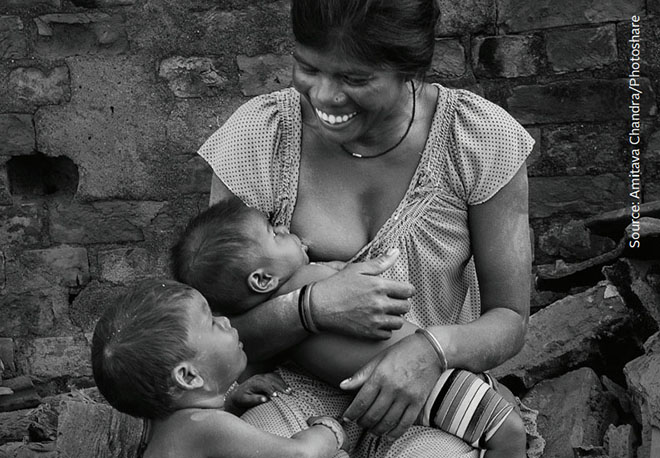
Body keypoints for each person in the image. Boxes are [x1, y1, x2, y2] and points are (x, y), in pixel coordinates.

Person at [195, 0, 534, 456]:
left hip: (429, 393)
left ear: (409, 70)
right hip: (293, 387)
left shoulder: (477, 138)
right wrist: (310, 307)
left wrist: (431, 351)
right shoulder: (260, 137)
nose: (324, 96)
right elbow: (212, 327)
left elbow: (509, 321)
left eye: (355, 79)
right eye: (307, 68)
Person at [171, 197, 525, 458]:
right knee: (503, 431)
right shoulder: (291, 295)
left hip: (428, 379)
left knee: (506, 431)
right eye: (273, 234)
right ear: (262, 279)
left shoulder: (300, 289)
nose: (283, 227)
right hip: (431, 390)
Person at [91, 279, 349, 458]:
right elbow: (301, 454)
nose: (225, 321)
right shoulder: (206, 427)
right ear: (189, 376)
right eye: (212, 322)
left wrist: (232, 404)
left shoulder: (169, 432)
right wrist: (330, 430)